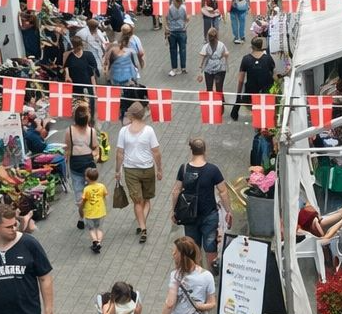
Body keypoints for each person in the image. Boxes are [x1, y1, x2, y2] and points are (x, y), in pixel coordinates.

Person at [170, 138, 233, 272]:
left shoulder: (184, 168)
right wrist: (228, 211)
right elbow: (223, 191)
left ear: (191, 150)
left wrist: (174, 211)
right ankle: (211, 274)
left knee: (192, 247)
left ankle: (196, 274)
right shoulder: (213, 169)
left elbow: (176, 191)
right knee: (210, 246)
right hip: (209, 214)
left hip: (189, 215)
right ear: (205, 150)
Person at [115, 102, 162, 244]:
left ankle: (142, 226)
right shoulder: (149, 131)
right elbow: (156, 152)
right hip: (147, 169)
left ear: (131, 115)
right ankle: (142, 226)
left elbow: (119, 153)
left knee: (137, 201)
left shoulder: (123, 131)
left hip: (130, 170)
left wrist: (117, 170)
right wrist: (159, 169)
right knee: (146, 200)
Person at [64, 103, 98, 230]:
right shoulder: (91, 131)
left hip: (77, 166)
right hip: (87, 165)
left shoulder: (70, 131)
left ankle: (83, 217)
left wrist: (65, 164)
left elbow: (67, 150)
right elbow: (95, 148)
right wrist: (94, 155)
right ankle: (84, 217)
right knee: (85, 195)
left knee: (80, 196)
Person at [230, 36, 275, 121]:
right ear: (261, 46)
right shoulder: (268, 58)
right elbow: (273, 73)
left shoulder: (246, 59)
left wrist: (239, 94)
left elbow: (241, 80)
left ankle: (257, 121)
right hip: (265, 89)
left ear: (252, 46)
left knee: (254, 107)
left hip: (251, 90)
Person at [63, 34, 99, 113]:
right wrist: (67, 75)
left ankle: (91, 118)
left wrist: (94, 89)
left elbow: (93, 74)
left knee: (90, 105)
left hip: (87, 83)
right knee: (78, 105)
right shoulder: (70, 56)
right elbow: (66, 66)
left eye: (79, 46)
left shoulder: (88, 55)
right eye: (76, 46)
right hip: (76, 85)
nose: (78, 48)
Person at [197, 28, 229, 107]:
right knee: (219, 88)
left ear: (208, 37)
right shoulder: (221, 45)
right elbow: (227, 53)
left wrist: (199, 72)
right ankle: (221, 105)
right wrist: (223, 57)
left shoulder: (206, 46)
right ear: (217, 36)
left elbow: (202, 59)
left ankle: (211, 106)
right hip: (220, 69)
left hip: (208, 70)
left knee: (209, 88)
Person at [81, 166, 108, 253]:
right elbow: (104, 195)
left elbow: (84, 199)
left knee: (91, 229)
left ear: (87, 178)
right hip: (100, 211)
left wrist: (81, 207)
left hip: (90, 212)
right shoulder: (102, 186)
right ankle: (99, 243)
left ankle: (95, 241)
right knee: (99, 228)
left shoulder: (86, 189)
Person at [164, 0, 188, 76]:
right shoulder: (184, 8)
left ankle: (174, 68)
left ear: (174, 1)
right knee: (183, 50)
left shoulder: (169, 8)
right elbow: (187, 19)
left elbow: (166, 20)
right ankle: (183, 68)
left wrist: (166, 30)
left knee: (173, 50)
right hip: (182, 31)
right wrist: (185, 26)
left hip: (172, 31)